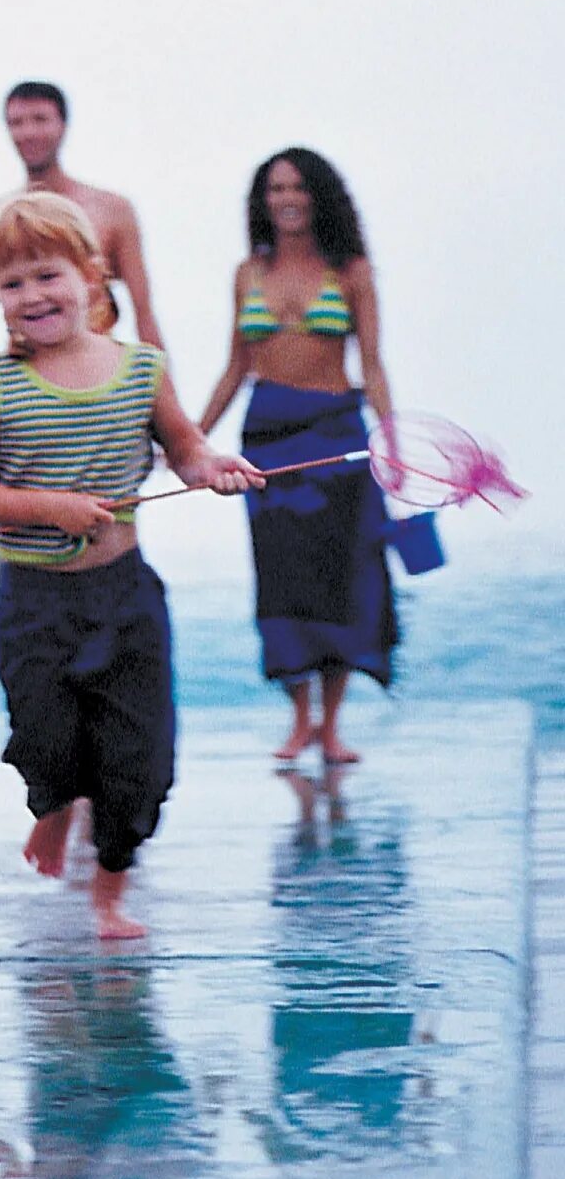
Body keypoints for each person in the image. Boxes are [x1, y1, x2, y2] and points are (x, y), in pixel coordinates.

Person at [0, 191, 260, 943]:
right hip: (33, 597)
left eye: (47, 275)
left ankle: (110, 893)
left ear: (90, 275)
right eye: (13, 284)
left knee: (139, 756)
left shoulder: (142, 368)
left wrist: (211, 465)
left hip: (123, 591)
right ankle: (52, 803)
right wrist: (51, 507)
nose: (33, 295)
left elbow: (182, 448)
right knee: (48, 738)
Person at [194, 149, 397, 767]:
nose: (286, 198)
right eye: (275, 188)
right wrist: (191, 439)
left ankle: (332, 726)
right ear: (263, 200)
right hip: (268, 439)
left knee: (339, 577)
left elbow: (372, 363)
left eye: (298, 188)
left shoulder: (352, 271)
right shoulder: (246, 273)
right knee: (281, 578)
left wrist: (393, 439)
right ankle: (299, 717)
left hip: (336, 434)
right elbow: (236, 365)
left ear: (320, 197)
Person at [0, 82, 165, 477]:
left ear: (63, 125)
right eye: (16, 123)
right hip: (28, 395)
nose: (28, 132)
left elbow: (145, 314)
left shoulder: (111, 211)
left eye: (39, 119)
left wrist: (169, 427)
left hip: (101, 391)